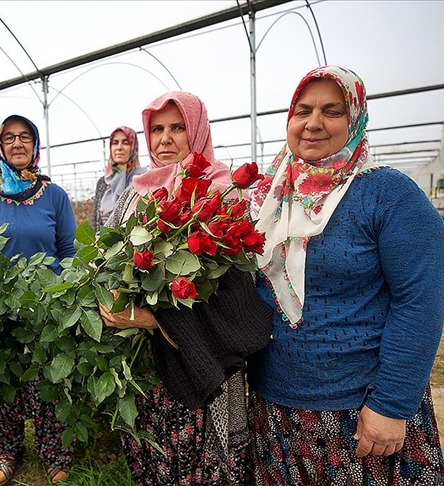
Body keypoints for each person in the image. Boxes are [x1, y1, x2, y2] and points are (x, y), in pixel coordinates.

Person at [246, 65, 444, 484]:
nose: (313, 123)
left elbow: (420, 302)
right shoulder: (268, 197)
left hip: (358, 410)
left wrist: (392, 406)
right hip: (276, 402)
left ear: (355, 118)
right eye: (302, 110)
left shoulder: (388, 194)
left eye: (331, 111)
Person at [98, 91, 272, 485]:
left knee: (201, 460)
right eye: (157, 129)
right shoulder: (135, 193)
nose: (165, 138)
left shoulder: (222, 191)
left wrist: (155, 319)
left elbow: (232, 292)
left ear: (197, 130)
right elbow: (113, 266)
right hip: (148, 363)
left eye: (178, 127)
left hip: (205, 357)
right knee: (156, 452)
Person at [0, 114, 76, 485]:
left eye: (25, 137)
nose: (17, 144)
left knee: (48, 379)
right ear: (0, 145)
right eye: (10, 138)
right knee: (0, 378)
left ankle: (54, 452)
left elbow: (67, 250)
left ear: (35, 146)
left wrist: (62, 293)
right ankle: (5, 450)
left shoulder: (54, 195)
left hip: (45, 304)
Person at [91, 126, 147, 231]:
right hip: (103, 244)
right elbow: (95, 221)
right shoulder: (103, 182)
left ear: (134, 147)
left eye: (126, 143)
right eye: (115, 143)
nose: (119, 147)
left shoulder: (143, 180)